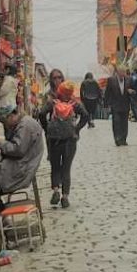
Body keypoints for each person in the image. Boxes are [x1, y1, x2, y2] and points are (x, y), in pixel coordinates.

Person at [0, 105, 44, 229]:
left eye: (5, 122)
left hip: (20, 166)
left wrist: (1, 143)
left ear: (11, 116)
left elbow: (17, 149)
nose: (5, 125)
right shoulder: (23, 123)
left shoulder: (25, 125)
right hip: (17, 163)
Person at [39, 81, 89, 209]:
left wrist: (47, 127)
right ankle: (65, 197)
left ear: (59, 91)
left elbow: (41, 114)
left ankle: (56, 190)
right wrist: (76, 129)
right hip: (70, 140)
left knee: (55, 167)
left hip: (54, 139)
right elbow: (85, 116)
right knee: (66, 168)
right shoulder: (74, 104)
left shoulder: (52, 102)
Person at [104, 66, 133, 146]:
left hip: (125, 105)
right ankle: (117, 138)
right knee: (116, 122)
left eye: (124, 72)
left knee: (124, 123)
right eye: (121, 72)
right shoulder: (111, 80)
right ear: (117, 72)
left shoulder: (129, 80)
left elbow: (133, 90)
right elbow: (107, 93)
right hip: (115, 105)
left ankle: (123, 139)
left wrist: (131, 92)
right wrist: (106, 105)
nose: (122, 74)